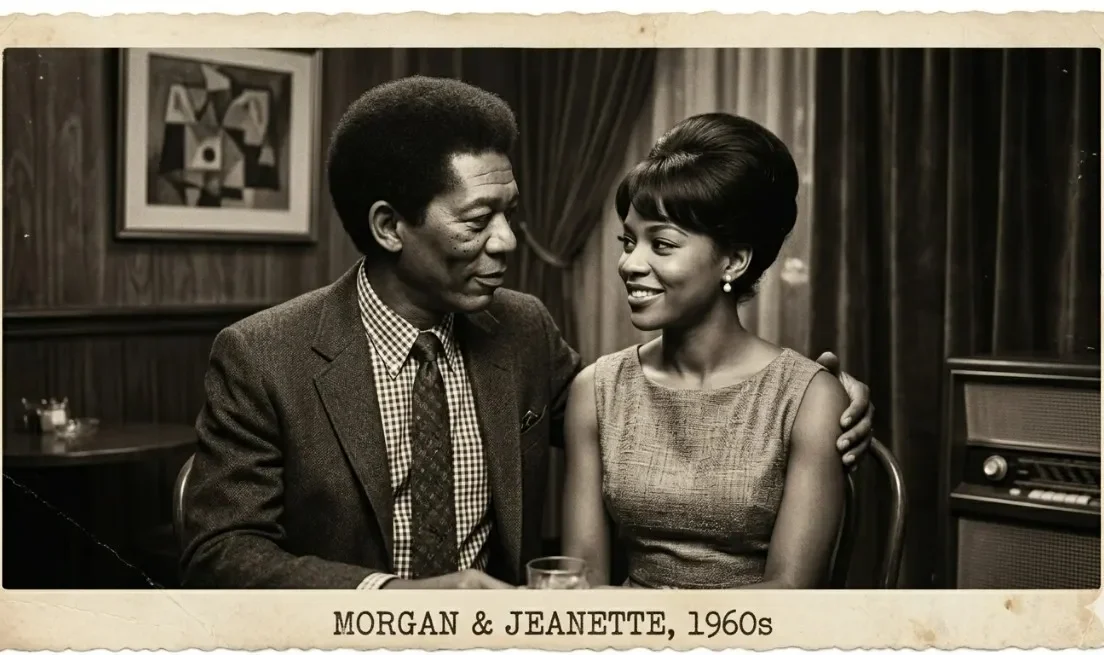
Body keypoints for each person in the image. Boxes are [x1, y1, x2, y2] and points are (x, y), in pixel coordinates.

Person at [179, 77, 875, 590]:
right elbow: (220, 551)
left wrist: (816, 395)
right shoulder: (263, 355)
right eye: (477, 220)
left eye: (510, 212)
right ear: (390, 226)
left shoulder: (521, 329)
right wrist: (396, 601)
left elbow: (647, 411)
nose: (508, 242)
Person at [562, 113, 854, 589]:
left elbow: (789, 595)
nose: (630, 264)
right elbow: (584, 582)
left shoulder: (807, 399)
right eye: (628, 241)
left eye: (662, 243)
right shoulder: (596, 389)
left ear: (734, 261)